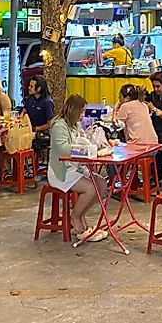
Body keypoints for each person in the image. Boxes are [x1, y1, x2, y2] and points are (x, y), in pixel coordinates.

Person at [48, 94, 109, 242]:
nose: (83, 116)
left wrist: (97, 143)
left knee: (101, 185)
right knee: (91, 188)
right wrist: (84, 149)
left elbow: (85, 140)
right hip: (61, 171)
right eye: (81, 112)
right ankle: (75, 219)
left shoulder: (75, 125)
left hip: (76, 168)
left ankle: (81, 214)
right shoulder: (59, 126)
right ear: (73, 110)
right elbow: (63, 149)